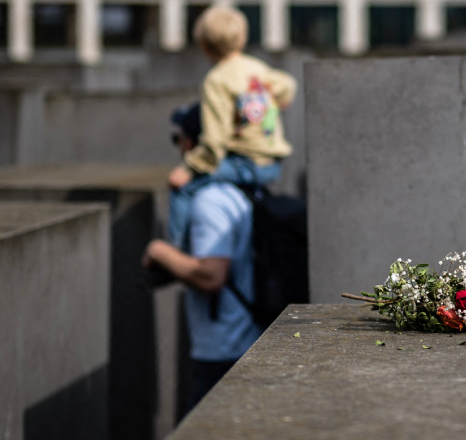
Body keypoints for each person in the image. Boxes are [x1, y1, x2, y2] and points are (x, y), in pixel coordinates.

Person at [144, 126, 261, 409]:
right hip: (246, 336)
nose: (179, 147)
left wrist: (157, 251)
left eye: (179, 138)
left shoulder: (210, 200)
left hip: (224, 346)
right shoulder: (238, 189)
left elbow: (211, 276)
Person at [166, 4, 297, 245]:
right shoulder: (256, 69)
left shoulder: (216, 80)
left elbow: (215, 140)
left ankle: (176, 251)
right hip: (273, 164)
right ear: (243, 38)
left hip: (245, 163)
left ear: (204, 45)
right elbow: (287, 82)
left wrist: (188, 168)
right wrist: (280, 96)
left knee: (181, 188)